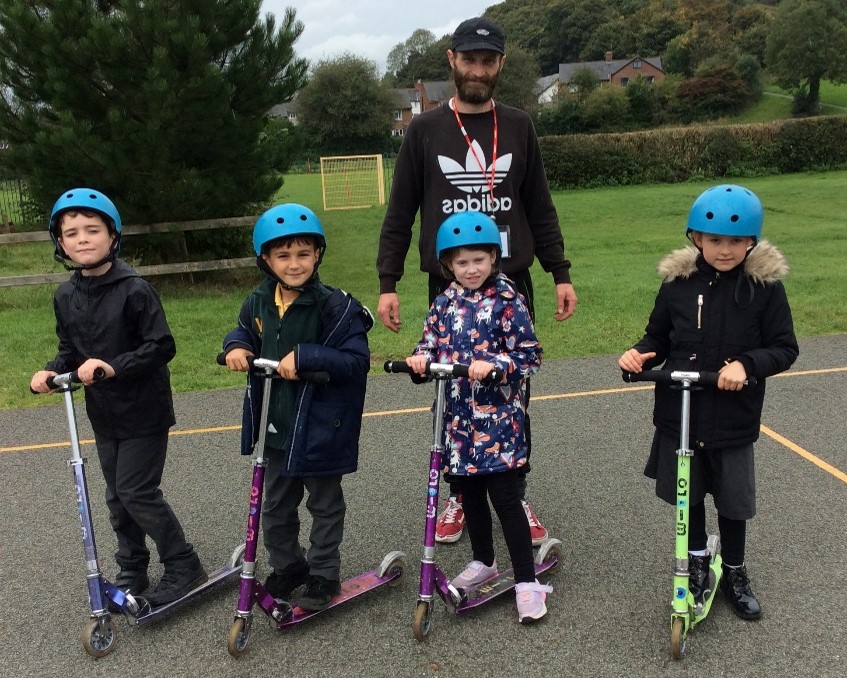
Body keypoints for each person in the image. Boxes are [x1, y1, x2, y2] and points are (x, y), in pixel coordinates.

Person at [377, 16, 577, 545]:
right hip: (448, 287)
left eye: (488, 61)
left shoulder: (519, 124)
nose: (478, 69)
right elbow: (400, 212)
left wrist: (560, 272)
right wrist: (388, 281)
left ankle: (515, 490)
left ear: (500, 65)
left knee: (512, 393)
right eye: (470, 59)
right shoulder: (424, 130)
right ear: (452, 60)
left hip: (511, 284)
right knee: (453, 394)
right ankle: (459, 495)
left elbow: (540, 206)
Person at [618, 184, 799, 620]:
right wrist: (640, 354)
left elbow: (784, 347)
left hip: (733, 417)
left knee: (733, 501)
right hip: (681, 415)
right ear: (696, 238)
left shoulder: (764, 289)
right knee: (690, 495)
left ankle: (734, 569)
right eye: (715, 239)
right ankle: (697, 560)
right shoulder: (678, 285)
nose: (725, 249)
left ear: (751, 241)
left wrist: (748, 365)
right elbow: (658, 336)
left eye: (736, 241)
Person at [30, 188, 206, 609]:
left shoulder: (134, 289)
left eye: (93, 229)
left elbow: (161, 346)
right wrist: (53, 369)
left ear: (113, 236)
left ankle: (184, 564)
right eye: (71, 233)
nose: (82, 239)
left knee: (136, 490)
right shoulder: (65, 296)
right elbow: (69, 349)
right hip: (104, 414)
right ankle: (133, 565)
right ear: (60, 243)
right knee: (115, 494)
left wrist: (113, 366)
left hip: (144, 409)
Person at [221, 203, 372, 611]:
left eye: (303, 254)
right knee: (275, 503)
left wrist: (306, 356)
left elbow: (356, 361)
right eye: (283, 255)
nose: (294, 264)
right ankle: (290, 566)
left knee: (324, 504)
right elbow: (244, 331)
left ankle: (323, 573)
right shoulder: (257, 302)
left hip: (322, 426)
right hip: (277, 425)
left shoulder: (335, 306)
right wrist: (235, 346)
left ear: (318, 255)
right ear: (266, 260)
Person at [405, 211, 551, 623]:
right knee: (469, 496)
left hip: (498, 422)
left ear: (493, 258)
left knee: (506, 499)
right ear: (448, 265)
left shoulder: (508, 300)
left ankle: (527, 581)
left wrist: (496, 364)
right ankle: (483, 561)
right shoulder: (443, 302)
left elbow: (530, 355)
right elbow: (429, 344)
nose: (470, 270)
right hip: (456, 422)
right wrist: (420, 361)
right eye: (461, 262)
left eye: (478, 260)